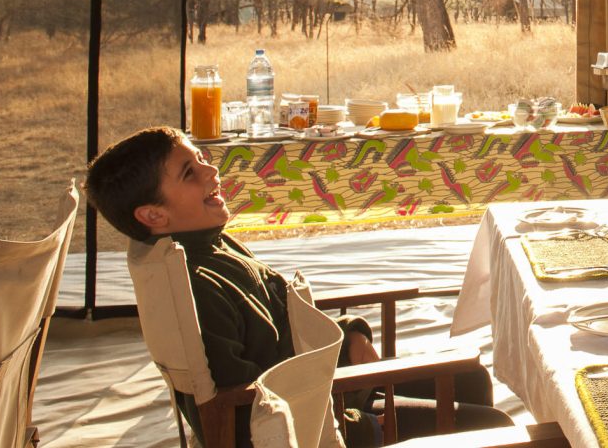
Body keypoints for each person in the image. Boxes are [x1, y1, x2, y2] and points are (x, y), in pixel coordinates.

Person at [84, 127, 511, 447]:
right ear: (154, 216)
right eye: (190, 173)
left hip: (319, 385)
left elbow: (276, 329)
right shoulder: (198, 287)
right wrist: (352, 406)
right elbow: (242, 415)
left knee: (470, 377)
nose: (213, 170)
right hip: (316, 423)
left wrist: (349, 337)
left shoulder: (208, 244)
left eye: (201, 158)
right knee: (496, 425)